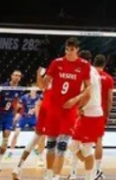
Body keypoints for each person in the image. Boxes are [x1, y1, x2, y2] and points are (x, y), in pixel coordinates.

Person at [38, 37, 92, 180]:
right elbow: (43, 85)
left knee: (61, 147)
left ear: (77, 50)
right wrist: (39, 75)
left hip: (69, 111)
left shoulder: (84, 65)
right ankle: (48, 173)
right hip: (54, 109)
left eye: (72, 49)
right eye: (67, 49)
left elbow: (89, 87)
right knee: (50, 145)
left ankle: (56, 176)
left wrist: (75, 99)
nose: (68, 52)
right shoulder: (56, 63)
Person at [67, 53, 104, 180]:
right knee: (73, 145)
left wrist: (78, 108)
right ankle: (92, 169)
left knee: (87, 149)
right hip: (87, 113)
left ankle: (90, 176)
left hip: (92, 114)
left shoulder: (88, 72)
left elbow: (87, 96)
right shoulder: (92, 71)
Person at [0, 70, 23, 170]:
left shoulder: (20, 89)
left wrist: (15, 115)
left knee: (6, 137)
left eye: (19, 76)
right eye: (15, 75)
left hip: (8, 115)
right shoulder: (3, 86)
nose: (17, 77)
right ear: (11, 76)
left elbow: (16, 102)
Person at [93, 54, 115, 179]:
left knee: (80, 141)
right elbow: (110, 99)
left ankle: (73, 171)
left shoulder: (89, 75)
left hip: (86, 111)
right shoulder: (109, 78)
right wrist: (108, 113)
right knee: (98, 141)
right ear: (105, 64)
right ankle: (97, 169)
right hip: (100, 112)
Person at [10, 87, 43, 165]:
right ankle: (10, 152)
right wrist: (17, 114)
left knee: (39, 136)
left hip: (34, 118)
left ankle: (37, 150)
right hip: (24, 117)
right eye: (32, 89)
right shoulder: (24, 97)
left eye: (35, 89)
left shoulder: (39, 97)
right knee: (16, 134)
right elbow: (19, 107)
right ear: (30, 89)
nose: (33, 90)